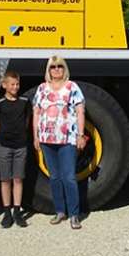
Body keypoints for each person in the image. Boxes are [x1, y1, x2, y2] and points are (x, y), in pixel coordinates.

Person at [32, 56, 87, 229]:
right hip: (47, 139)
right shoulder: (42, 88)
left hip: (67, 139)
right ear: (48, 70)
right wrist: (35, 136)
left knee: (69, 177)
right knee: (54, 177)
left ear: (65, 69)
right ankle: (60, 211)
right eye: (53, 67)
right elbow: (36, 113)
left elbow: (80, 112)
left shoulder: (72, 87)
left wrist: (80, 135)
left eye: (60, 66)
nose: (56, 70)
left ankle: (74, 214)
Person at [0, 70, 31, 228]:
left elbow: (27, 120)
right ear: (4, 85)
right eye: (12, 84)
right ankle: (7, 212)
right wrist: (1, 135)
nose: (15, 87)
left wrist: (21, 134)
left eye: (17, 84)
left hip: (21, 146)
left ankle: (17, 211)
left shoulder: (25, 102)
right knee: (5, 180)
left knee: (18, 179)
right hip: (4, 146)